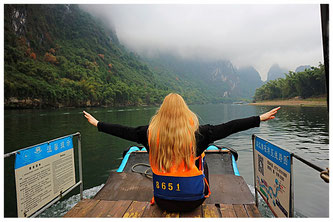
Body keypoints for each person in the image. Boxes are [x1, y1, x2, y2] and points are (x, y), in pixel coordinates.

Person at [83, 93, 280, 211]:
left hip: (162, 200)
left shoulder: (148, 133)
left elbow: (123, 131)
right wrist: (259, 119)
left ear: (162, 112)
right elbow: (230, 126)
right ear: (184, 111)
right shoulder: (199, 134)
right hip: (193, 201)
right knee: (201, 160)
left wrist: (98, 124)